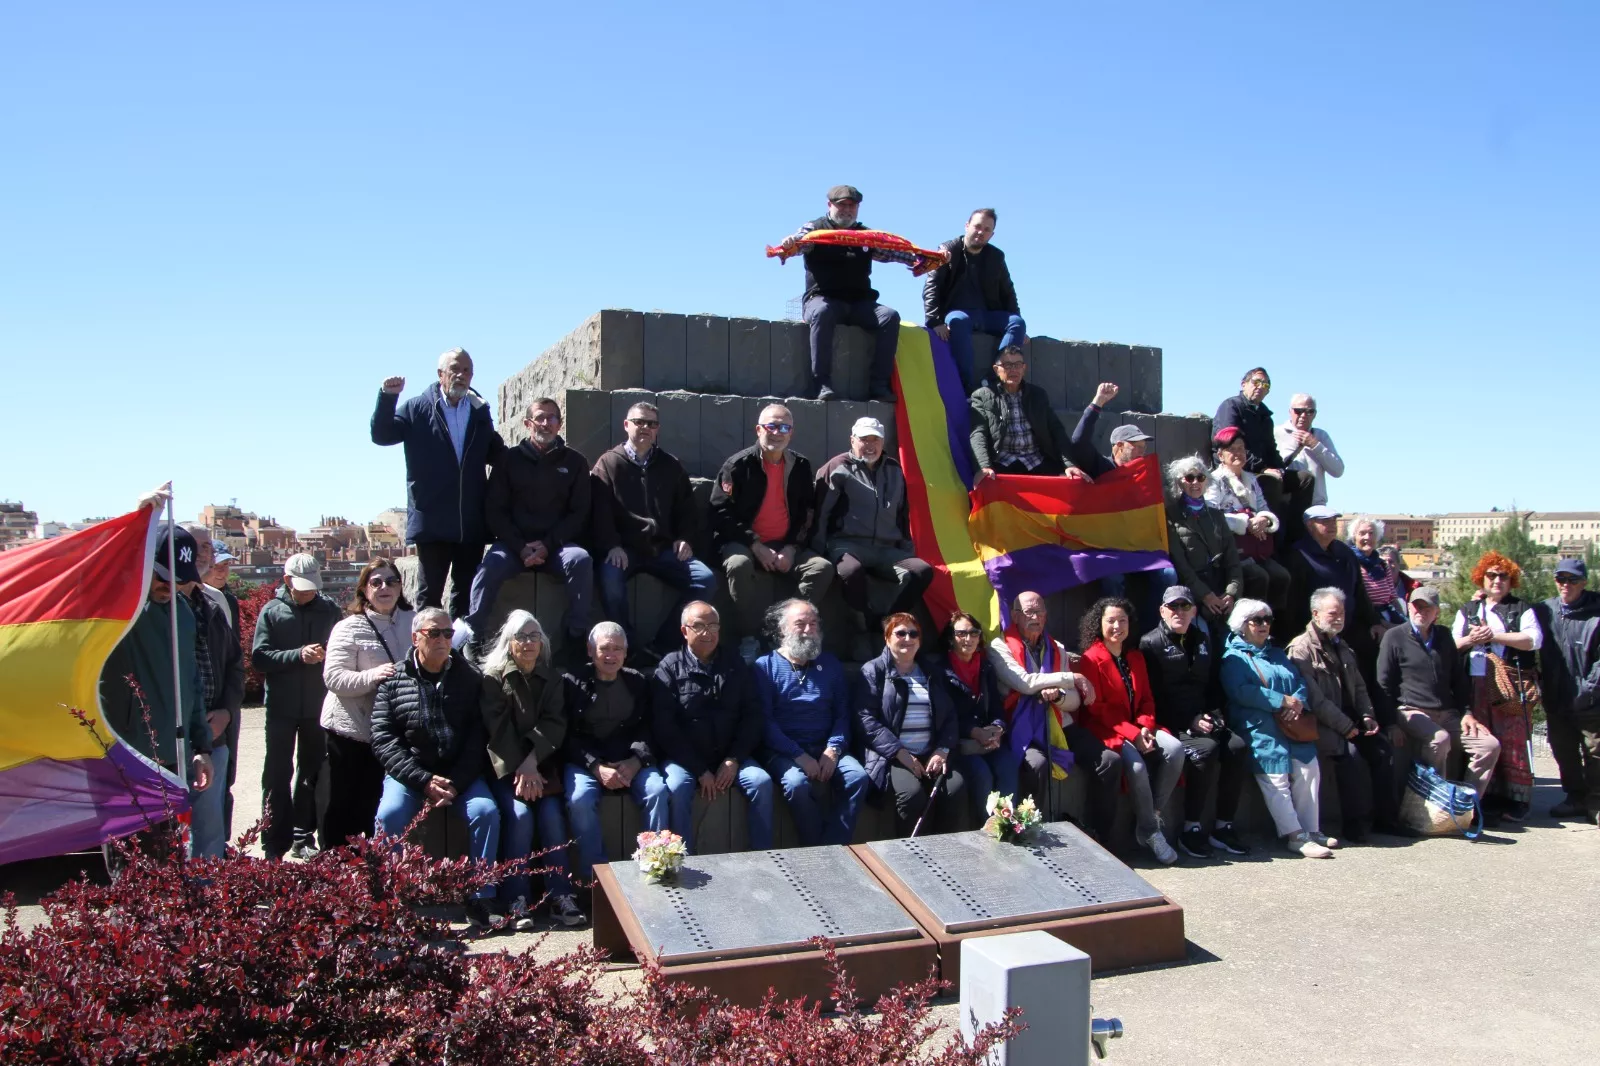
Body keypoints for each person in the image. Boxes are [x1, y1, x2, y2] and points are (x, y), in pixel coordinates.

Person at [371, 607, 503, 930]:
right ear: (416, 638)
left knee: (485, 811)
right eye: (434, 633)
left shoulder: (469, 677)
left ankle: (481, 896)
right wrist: (423, 781)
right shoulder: (394, 680)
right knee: (389, 815)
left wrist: (456, 782)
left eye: (448, 633)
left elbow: (478, 737)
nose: (443, 639)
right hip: (411, 774)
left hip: (460, 774)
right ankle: (390, 899)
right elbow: (383, 738)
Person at [99, 524, 216, 864]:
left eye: (180, 578)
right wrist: (142, 519)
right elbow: (105, 574)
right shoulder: (122, 611)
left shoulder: (181, 612)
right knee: (131, 867)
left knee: (169, 863)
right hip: (127, 760)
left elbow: (190, 683)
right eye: (163, 576)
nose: (172, 585)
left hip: (173, 759)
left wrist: (201, 745)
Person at [371, 348, 506, 619]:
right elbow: (382, 435)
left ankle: (458, 652)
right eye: (455, 369)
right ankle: (425, 652)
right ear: (440, 374)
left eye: (467, 370)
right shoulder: (417, 408)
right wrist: (388, 397)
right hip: (432, 520)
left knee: (465, 593)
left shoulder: (479, 410)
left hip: (470, 521)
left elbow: (495, 453)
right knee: (429, 594)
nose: (462, 375)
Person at [479, 611, 586, 929]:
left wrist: (532, 763)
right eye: (521, 637)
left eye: (534, 636)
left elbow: (555, 723)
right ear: (509, 642)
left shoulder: (552, 678)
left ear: (543, 642)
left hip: (541, 769)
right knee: (521, 816)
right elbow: (497, 730)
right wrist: (521, 769)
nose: (528, 643)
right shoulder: (493, 678)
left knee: (552, 817)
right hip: (504, 769)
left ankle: (560, 896)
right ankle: (516, 897)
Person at [462, 397, 593, 656]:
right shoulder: (508, 460)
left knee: (581, 560)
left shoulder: (575, 462)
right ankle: (473, 635)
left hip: (556, 546)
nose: (546, 423)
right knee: (488, 569)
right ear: (527, 423)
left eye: (552, 418)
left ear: (560, 423)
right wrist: (520, 547)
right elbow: (495, 510)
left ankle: (575, 637)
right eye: (540, 418)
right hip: (513, 546)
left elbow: (579, 513)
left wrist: (547, 544)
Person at [709, 403, 834, 662]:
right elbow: (720, 512)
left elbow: (806, 514)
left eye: (784, 427)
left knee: (821, 568)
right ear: (758, 429)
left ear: (791, 433)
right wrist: (756, 545)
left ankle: (785, 630)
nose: (777, 432)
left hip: (786, 543)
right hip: (744, 543)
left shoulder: (800, 465)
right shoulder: (737, 465)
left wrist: (791, 547)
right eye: (771, 426)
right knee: (739, 565)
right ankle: (749, 636)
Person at [591, 401, 715, 660]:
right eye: (639, 422)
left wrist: (684, 538)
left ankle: (663, 644)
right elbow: (599, 511)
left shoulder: (670, 465)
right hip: (624, 550)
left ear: (658, 429)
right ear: (626, 425)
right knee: (611, 583)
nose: (645, 427)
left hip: (662, 549)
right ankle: (631, 646)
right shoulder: (609, 463)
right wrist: (611, 544)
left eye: (652, 423)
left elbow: (686, 508)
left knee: (705, 579)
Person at [1140, 586, 1252, 858]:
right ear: (1162, 610)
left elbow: (1212, 684)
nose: (1179, 612)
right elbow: (1153, 695)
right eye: (1173, 607)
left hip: (1203, 718)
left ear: (1193, 610)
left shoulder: (1202, 638)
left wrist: (1214, 713)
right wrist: (1189, 720)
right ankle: (1190, 828)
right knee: (1206, 751)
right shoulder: (1150, 643)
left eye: (1184, 606)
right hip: (1171, 721)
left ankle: (1223, 826)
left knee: (1237, 747)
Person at [651, 602, 774, 851]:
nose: (707, 632)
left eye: (713, 626)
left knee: (760, 782)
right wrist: (698, 770)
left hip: (731, 756)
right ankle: (680, 858)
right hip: (685, 759)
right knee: (677, 786)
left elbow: (753, 715)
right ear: (685, 631)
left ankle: (763, 855)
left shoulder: (735, 664)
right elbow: (665, 727)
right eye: (699, 626)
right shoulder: (669, 667)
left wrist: (734, 759)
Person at [1220, 598, 1337, 857]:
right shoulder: (1233, 657)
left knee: (1308, 768)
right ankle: (1294, 835)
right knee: (1275, 777)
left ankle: (1311, 829)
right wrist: (1280, 701)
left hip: (1290, 723)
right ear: (1242, 625)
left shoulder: (1276, 652)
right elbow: (1240, 691)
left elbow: (1298, 681)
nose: (1264, 625)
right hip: (1259, 726)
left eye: (1267, 620)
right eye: (1257, 620)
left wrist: (1297, 703)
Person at [1075, 598, 1184, 863]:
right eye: (1110, 620)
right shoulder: (1091, 659)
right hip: (1107, 729)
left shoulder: (1135, 657)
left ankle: (1151, 816)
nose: (1116, 626)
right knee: (1135, 767)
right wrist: (1133, 733)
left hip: (1140, 725)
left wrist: (1145, 727)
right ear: (1099, 624)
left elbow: (1147, 698)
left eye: (1122, 620)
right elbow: (1098, 709)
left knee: (1175, 749)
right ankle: (1150, 831)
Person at [753, 599, 869, 846]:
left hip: (826, 746)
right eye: (800, 624)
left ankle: (835, 844)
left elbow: (842, 715)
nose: (808, 630)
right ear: (783, 629)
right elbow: (764, 722)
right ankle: (817, 845)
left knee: (858, 777)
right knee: (796, 784)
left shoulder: (830, 664)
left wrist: (834, 748)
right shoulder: (765, 667)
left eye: (813, 624)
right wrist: (798, 755)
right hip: (783, 750)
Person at [1286, 588, 1399, 841]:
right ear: (1315, 614)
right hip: (1322, 724)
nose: (1339, 618)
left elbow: (1359, 686)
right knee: (1352, 756)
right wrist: (1345, 725)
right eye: (1333, 613)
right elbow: (1314, 699)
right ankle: (1355, 825)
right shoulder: (1301, 649)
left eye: (1342, 613)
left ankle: (1386, 819)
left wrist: (1368, 715)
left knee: (1382, 751)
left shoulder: (1343, 645)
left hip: (1351, 720)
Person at [562, 622, 672, 879]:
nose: (611, 656)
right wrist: (594, 766)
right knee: (580, 799)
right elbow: (564, 736)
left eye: (617, 649)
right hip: (585, 762)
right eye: (604, 649)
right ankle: (597, 878)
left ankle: (656, 865)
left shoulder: (638, 682)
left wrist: (636, 761)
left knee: (656, 790)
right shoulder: (571, 682)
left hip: (630, 759)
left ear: (626, 652)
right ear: (590, 651)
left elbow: (649, 728)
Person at [251, 553, 342, 860]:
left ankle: (303, 835)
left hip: (318, 707)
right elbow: (259, 658)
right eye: (302, 587)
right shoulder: (272, 612)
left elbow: (344, 649)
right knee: (277, 774)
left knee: (311, 773)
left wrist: (328, 654)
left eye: (313, 587)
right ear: (287, 581)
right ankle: (274, 841)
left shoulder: (330, 610)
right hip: (281, 707)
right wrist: (297, 655)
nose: (308, 592)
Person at [1377, 586, 1502, 810]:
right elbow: (1383, 684)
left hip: (1448, 713)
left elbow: (1458, 680)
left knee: (1489, 746)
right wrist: (1390, 723)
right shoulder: (1393, 637)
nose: (1420, 612)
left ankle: (1465, 807)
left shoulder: (1444, 636)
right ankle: (1436, 807)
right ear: (1408, 607)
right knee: (1439, 739)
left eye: (1427, 608)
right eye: (1416, 606)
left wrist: (1467, 713)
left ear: (1437, 613)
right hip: (1411, 710)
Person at [320, 558, 414, 850]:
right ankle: (336, 877)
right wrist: (376, 675)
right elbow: (334, 678)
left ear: (401, 587)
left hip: (394, 734)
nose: (384, 587)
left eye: (391, 581)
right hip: (351, 731)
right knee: (343, 807)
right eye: (376, 582)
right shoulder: (348, 628)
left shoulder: (416, 622)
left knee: (377, 806)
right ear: (364, 590)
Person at [778, 184, 901, 401]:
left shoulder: (866, 235)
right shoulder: (816, 228)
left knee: (889, 316)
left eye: (852, 206)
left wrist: (925, 259)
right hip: (823, 299)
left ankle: (879, 385)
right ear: (830, 205)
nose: (847, 210)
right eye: (842, 205)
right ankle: (822, 383)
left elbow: (893, 252)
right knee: (822, 312)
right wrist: (790, 244)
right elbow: (800, 242)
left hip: (859, 303)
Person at [987, 592, 1096, 824]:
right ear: (1015, 616)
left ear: (1046, 616)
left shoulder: (1057, 648)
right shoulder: (999, 646)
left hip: (1057, 720)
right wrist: (1071, 677)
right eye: (1029, 612)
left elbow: (1075, 701)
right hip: (1019, 726)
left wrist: (1058, 696)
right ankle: (1031, 826)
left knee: (1109, 760)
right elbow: (1025, 683)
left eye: (1039, 611)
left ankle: (1097, 831)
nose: (1035, 616)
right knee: (1038, 764)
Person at [814, 418, 933, 629]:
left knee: (921, 571)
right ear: (852, 440)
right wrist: (818, 549)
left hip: (886, 548)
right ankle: (862, 626)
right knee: (851, 571)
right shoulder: (837, 467)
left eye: (875, 440)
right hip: (846, 544)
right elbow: (820, 513)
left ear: (882, 442)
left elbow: (902, 513)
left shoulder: (894, 469)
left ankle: (889, 621)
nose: (870, 445)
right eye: (864, 439)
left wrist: (907, 548)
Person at [1451, 551, 1543, 821]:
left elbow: (1533, 640)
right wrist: (1471, 639)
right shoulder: (1468, 610)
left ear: (1511, 579)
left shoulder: (1521, 608)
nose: (1497, 581)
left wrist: (1495, 636)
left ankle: (1516, 800)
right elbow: (1453, 645)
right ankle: (1486, 797)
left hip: (1510, 685)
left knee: (1513, 739)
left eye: (1503, 576)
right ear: (1482, 578)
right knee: (1485, 738)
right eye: (1491, 575)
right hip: (1474, 683)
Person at [857, 613, 966, 835]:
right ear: (887, 638)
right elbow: (865, 719)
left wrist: (943, 749)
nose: (908, 638)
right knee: (912, 795)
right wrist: (900, 753)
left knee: (955, 789)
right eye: (900, 633)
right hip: (892, 756)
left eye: (913, 633)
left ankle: (943, 847)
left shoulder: (932, 672)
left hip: (932, 752)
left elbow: (950, 716)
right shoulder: (873, 671)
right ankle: (909, 851)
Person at [177, 526, 242, 853]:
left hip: (214, 735)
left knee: (210, 834)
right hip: (170, 739)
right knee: (175, 838)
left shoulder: (215, 603)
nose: (203, 553)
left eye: (207, 547)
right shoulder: (159, 603)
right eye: (194, 546)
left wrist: (227, 712)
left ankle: (209, 900)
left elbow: (235, 664)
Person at [923, 208, 1024, 395]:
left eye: (987, 229)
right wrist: (934, 321)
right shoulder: (948, 250)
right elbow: (932, 286)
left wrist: (1021, 329)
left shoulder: (996, 257)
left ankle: (995, 380)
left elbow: (1008, 292)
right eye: (977, 226)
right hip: (959, 313)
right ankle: (966, 386)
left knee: (1017, 323)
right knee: (957, 321)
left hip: (987, 315)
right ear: (967, 225)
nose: (981, 232)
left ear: (991, 235)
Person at [934, 611, 1019, 819]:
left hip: (987, 739)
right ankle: (987, 829)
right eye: (961, 633)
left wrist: (998, 728)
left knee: (1007, 765)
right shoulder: (940, 672)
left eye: (973, 633)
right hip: (960, 743)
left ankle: (1008, 826)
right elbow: (944, 717)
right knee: (982, 775)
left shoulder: (986, 667)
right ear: (950, 638)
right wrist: (974, 732)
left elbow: (997, 708)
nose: (968, 639)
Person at [1535, 559, 1600, 825]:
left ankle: (1596, 801)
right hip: (1556, 697)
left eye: (1572, 580)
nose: (1566, 585)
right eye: (1561, 579)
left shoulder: (1597, 611)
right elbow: (1516, 622)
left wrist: (1587, 691)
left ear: (1584, 582)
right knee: (1562, 749)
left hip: (1591, 699)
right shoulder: (1544, 610)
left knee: (1595, 751)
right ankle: (1575, 798)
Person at [1212, 368, 1312, 537]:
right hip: (1238, 468)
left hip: (1262, 469)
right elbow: (1229, 444)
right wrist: (1263, 469)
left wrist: (1280, 468)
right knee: (1270, 482)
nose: (1260, 387)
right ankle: (1272, 542)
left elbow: (1271, 448)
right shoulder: (1231, 406)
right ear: (1244, 384)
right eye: (1256, 382)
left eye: (1265, 384)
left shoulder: (1266, 417)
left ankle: (1296, 536)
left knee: (1304, 479)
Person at [1205, 426, 1289, 616]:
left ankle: (1270, 626)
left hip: (1256, 546)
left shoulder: (1251, 479)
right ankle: (1249, 624)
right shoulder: (1214, 480)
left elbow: (1264, 508)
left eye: (1241, 448)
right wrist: (1245, 523)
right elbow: (1212, 515)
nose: (1238, 453)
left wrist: (1263, 520)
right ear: (1220, 454)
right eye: (1232, 449)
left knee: (1282, 576)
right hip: (1231, 548)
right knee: (1259, 577)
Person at [1164, 456, 1243, 642]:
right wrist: (1205, 596)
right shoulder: (1171, 516)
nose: (1195, 483)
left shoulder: (1216, 516)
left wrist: (1231, 593)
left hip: (1221, 586)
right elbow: (1180, 564)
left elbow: (1232, 559)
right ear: (1179, 482)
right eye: (1189, 477)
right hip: (1194, 590)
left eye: (1200, 477)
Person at [968, 347, 1077, 480]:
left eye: (1018, 365)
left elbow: (1056, 430)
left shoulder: (1038, 395)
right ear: (997, 370)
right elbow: (978, 433)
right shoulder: (983, 396)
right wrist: (984, 466)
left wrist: (1069, 465)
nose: (1013, 370)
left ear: (1023, 368)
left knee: (1071, 483)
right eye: (1007, 365)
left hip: (1036, 461)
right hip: (1003, 463)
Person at [1283, 505, 1381, 644]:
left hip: (1349, 629)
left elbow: (1359, 591)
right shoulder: (1298, 555)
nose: (1332, 525)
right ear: (1310, 525)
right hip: (1315, 635)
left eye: (1333, 521)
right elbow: (1293, 602)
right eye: (1325, 521)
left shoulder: (1345, 552)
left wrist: (1373, 622)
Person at [1274, 393, 1343, 507]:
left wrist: (1315, 445)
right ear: (1290, 411)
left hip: (1315, 506)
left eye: (1309, 411)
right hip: (1287, 504)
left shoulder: (1321, 436)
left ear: (1315, 414)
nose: (1303, 415)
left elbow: (1338, 470)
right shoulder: (1276, 433)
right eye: (1298, 411)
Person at [1348, 516, 1407, 629]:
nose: (1367, 537)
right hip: (1364, 621)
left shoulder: (1382, 565)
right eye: (1362, 533)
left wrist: (1403, 619)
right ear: (1354, 536)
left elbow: (1393, 598)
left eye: (1371, 533)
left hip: (1388, 615)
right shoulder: (1351, 563)